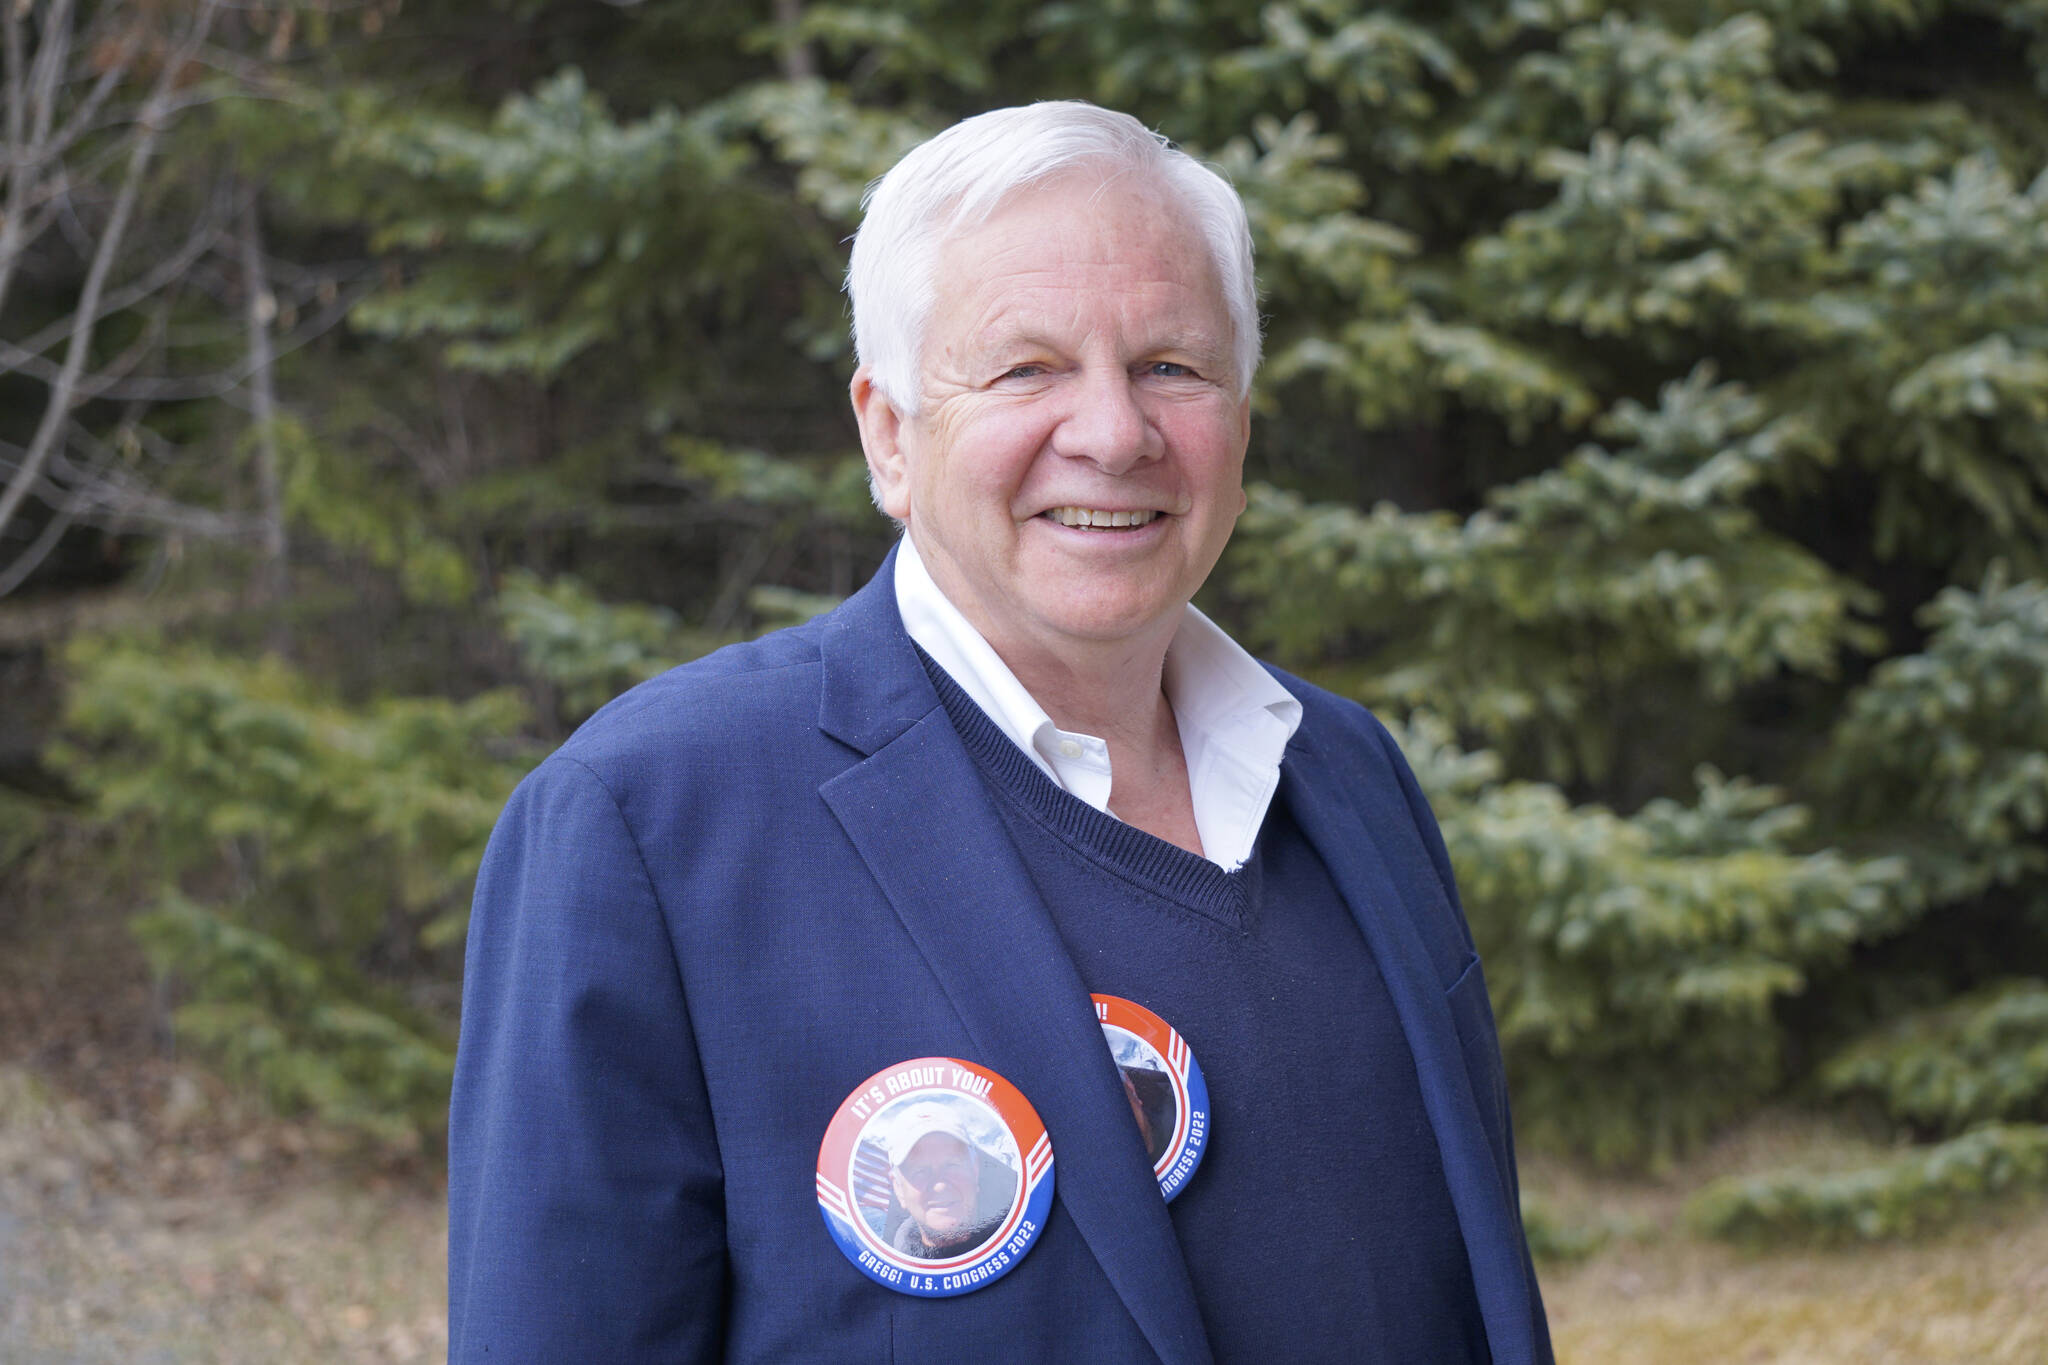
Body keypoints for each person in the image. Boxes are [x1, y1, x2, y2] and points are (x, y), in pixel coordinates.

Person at [448, 101, 1552, 1364]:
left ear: (1239, 422)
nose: (1112, 433)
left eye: (1170, 367)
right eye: (1026, 369)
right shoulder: (652, 826)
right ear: (889, 435)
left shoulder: (1347, 779)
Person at [876, 1103, 1018, 1257]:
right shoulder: (887, 1271)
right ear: (898, 1189)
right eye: (921, 1171)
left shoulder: (1025, 1239)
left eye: (952, 1165)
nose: (940, 1186)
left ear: (975, 1171)